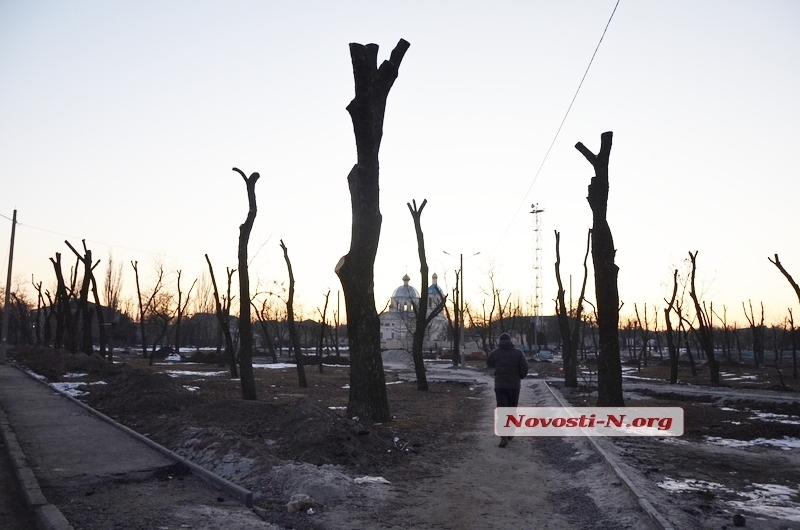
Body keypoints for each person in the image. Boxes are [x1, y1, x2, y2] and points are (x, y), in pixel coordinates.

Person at [486, 332, 528, 447]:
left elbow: (489, 363)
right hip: (514, 386)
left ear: (500, 341)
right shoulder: (518, 353)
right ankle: (510, 432)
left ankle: (503, 436)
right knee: (512, 410)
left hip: (500, 386)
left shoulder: (495, 353)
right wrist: (520, 376)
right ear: (511, 341)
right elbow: (524, 367)